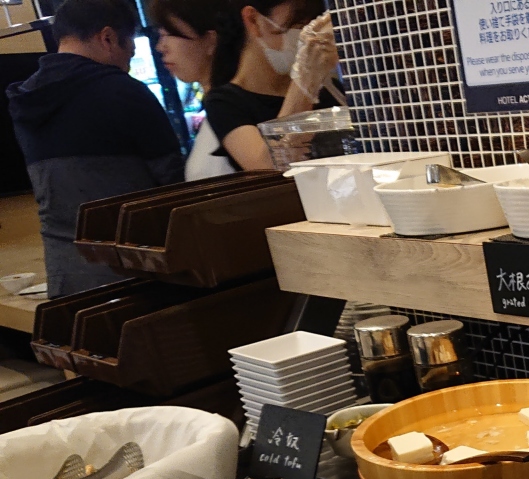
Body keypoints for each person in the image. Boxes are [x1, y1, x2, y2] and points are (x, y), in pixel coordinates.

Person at [7, 0, 184, 298]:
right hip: (137, 276)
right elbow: (176, 187)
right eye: (130, 51)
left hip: (65, 277)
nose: (129, 62)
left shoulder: (25, 102)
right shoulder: (124, 91)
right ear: (108, 38)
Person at [203, 0, 339, 171]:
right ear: (253, 21)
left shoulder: (329, 90)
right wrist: (306, 78)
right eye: (298, 23)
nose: (308, 34)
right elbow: (266, 166)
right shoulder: (224, 103)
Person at [151, 0, 236, 179]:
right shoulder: (217, 108)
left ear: (211, 40)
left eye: (169, 34)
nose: (161, 47)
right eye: (160, 35)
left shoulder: (233, 111)